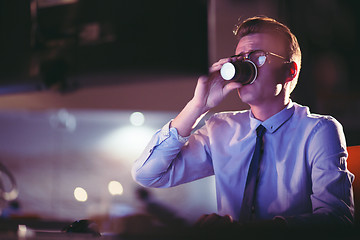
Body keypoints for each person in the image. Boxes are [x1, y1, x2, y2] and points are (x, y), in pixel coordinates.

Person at [131, 16, 354, 227]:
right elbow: (148, 174)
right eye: (241, 58)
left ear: (289, 71)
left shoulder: (318, 131)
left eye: (257, 56)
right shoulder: (220, 129)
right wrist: (198, 106)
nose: (247, 66)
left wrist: (249, 233)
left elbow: (337, 218)